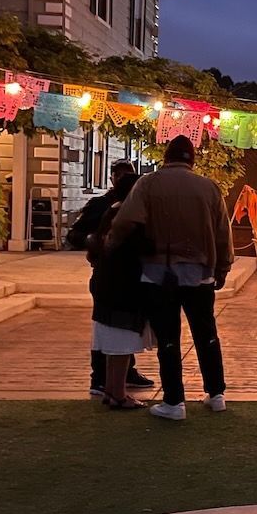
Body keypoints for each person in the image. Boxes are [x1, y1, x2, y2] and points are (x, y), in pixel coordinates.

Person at [108, 135, 234, 422]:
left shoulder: (148, 184)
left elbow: (124, 222)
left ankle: (174, 401)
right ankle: (216, 394)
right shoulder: (210, 188)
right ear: (192, 159)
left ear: (166, 157)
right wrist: (223, 268)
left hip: (158, 273)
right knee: (207, 334)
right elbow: (222, 234)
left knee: (169, 337)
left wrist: (111, 249)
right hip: (200, 274)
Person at [69, 159, 154, 396]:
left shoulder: (138, 208)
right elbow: (75, 234)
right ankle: (99, 377)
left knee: (124, 328)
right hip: (107, 274)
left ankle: (127, 372)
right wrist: (92, 241)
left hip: (128, 276)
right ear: (112, 179)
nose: (122, 180)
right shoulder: (101, 206)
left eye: (127, 175)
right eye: (119, 176)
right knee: (106, 325)